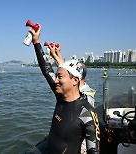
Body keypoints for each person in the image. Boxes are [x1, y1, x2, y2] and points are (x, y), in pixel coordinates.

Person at [26, 24, 100, 154]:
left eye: (59, 76)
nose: (55, 80)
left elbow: (94, 151)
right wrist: (36, 41)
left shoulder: (87, 112)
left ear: (75, 80)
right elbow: (46, 69)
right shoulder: (60, 97)